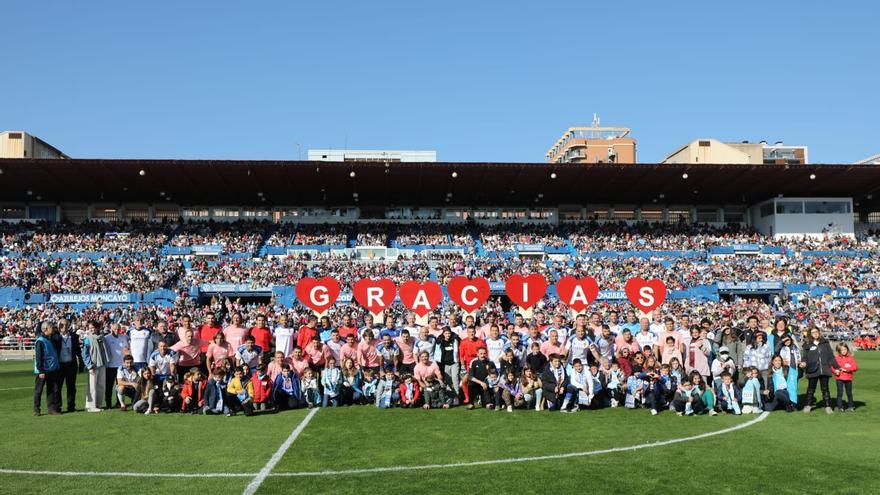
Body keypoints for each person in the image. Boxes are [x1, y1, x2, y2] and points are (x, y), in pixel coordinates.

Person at [801, 326, 837, 414]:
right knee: (811, 389)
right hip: (812, 369)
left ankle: (828, 406)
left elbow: (831, 356)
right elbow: (805, 357)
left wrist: (837, 367)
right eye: (813, 332)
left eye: (816, 332)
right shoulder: (807, 344)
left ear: (819, 332)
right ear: (810, 334)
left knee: (825, 389)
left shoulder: (825, 342)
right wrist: (804, 363)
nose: (815, 334)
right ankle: (808, 405)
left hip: (824, 369)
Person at [52, 320, 82, 413]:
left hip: (71, 365)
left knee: (71, 387)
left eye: (66, 325)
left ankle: (71, 406)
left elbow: (78, 351)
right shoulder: (55, 336)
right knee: (57, 387)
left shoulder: (73, 336)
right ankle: (57, 407)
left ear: (68, 325)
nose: (64, 327)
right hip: (59, 365)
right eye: (61, 325)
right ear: (58, 326)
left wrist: (81, 363)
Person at [33, 321, 61, 416]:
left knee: (51, 390)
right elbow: (38, 356)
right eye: (51, 327)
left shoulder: (50, 339)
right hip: (42, 370)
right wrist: (41, 370)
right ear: (45, 329)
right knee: (39, 390)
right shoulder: (40, 341)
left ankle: (51, 409)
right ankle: (36, 410)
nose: (53, 329)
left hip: (51, 369)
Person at [82, 320, 110, 412]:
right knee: (92, 386)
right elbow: (85, 354)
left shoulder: (102, 338)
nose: (91, 329)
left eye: (93, 327)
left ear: (97, 328)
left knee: (101, 385)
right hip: (93, 365)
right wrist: (89, 365)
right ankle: (90, 406)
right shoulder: (87, 339)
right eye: (89, 328)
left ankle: (98, 404)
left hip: (102, 364)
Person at [104, 323, 129, 410]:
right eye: (115, 329)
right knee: (109, 386)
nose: (116, 330)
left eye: (118, 329)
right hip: (110, 366)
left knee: (120, 386)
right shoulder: (107, 338)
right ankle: (108, 404)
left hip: (121, 366)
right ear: (111, 329)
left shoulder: (124, 337)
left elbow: (127, 348)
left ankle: (119, 403)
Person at [433, 326, 460, 400]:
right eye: (446, 333)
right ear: (443, 334)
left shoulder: (455, 339)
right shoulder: (440, 341)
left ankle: (457, 395)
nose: (448, 335)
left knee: (455, 378)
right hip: (445, 363)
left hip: (454, 362)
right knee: (448, 380)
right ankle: (450, 396)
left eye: (449, 333)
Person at [833, 343, 857, 412]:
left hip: (848, 378)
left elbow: (855, 367)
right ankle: (840, 407)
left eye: (845, 349)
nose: (844, 351)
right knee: (840, 393)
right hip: (839, 378)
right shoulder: (836, 358)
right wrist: (835, 371)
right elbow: (832, 367)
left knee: (849, 393)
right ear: (838, 351)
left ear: (847, 349)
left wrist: (847, 369)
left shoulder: (850, 358)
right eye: (841, 350)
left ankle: (851, 406)